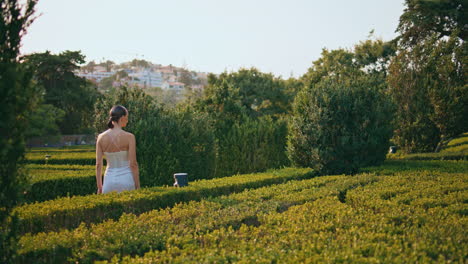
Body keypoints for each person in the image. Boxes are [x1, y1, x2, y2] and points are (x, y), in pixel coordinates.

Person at [96, 105, 140, 194]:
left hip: (108, 180)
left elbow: (98, 164)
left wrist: (100, 186)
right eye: (127, 118)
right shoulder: (129, 137)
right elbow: (133, 164)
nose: (127, 121)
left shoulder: (100, 137)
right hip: (126, 179)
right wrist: (137, 185)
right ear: (122, 118)